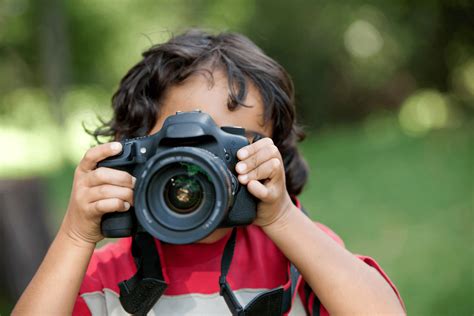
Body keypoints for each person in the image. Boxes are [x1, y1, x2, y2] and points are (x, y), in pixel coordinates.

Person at [13, 29, 405, 315]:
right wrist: (75, 236)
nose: (201, 169)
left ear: (272, 157)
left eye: (230, 143)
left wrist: (285, 218)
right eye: (183, 144)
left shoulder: (300, 255)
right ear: (133, 149)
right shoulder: (106, 276)